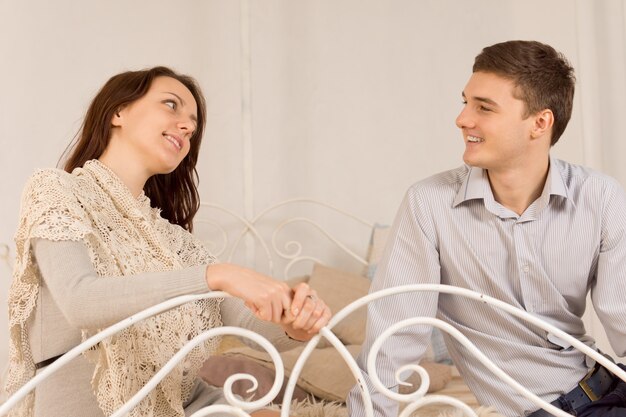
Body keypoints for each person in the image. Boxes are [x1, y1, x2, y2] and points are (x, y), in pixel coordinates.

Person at [4, 66, 331, 417]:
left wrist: (294, 323)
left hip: (189, 404)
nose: (188, 127)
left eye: (193, 124)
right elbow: (80, 300)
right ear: (118, 112)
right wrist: (214, 275)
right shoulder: (56, 191)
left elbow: (248, 322)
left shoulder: (174, 241)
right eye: (171, 105)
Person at [346, 40, 626, 417]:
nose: (462, 119)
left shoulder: (601, 197)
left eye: (484, 108)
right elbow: (393, 338)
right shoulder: (430, 204)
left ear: (540, 123)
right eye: (465, 102)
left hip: (610, 387)